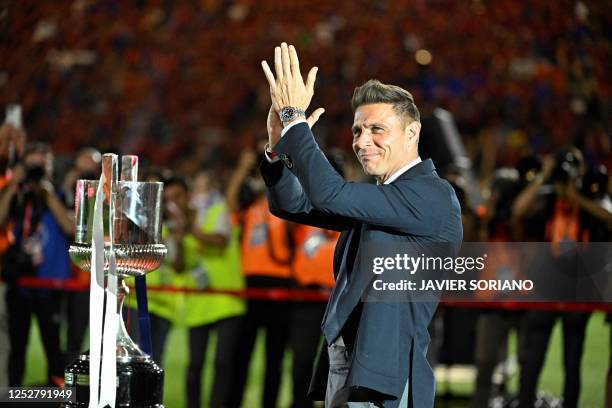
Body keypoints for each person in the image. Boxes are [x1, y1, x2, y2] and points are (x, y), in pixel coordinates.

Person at [260, 43, 462, 408]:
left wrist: (295, 120)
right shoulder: (385, 197)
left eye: (376, 129)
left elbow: (330, 195)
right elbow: (294, 205)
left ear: (412, 132)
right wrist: (277, 149)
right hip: (353, 364)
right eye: (357, 131)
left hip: (386, 376)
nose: (362, 141)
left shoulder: (431, 196)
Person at [0, 141, 74, 387]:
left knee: (53, 347)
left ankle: (59, 397)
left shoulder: (62, 196)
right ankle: (12, 396)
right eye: (33, 164)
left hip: (50, 285)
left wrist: (47, 193)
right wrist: (13, 186)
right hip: (20, 283)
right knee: (16, 347)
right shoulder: (18, 198)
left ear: (51, 169)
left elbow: (70, 227)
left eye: (44, 164)